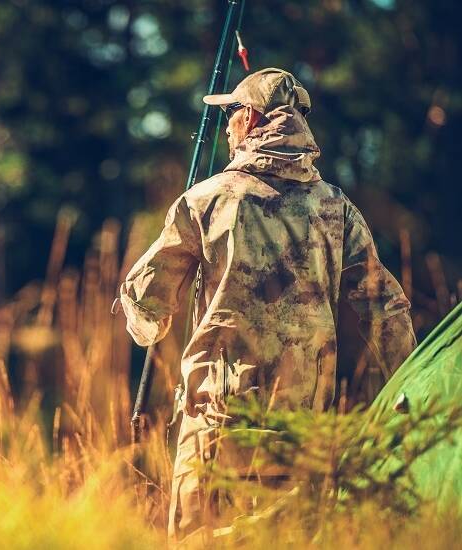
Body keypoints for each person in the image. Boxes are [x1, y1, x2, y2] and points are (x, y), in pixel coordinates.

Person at [118, 68, 416, 540]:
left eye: (233, 112)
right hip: (304, 438)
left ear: (252, 118)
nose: (228, 125)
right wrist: (410, 400)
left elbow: (146, 312)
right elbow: (387, 312)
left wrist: (141, 320)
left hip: (218, 430)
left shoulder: (206, 201)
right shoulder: (337, 208)